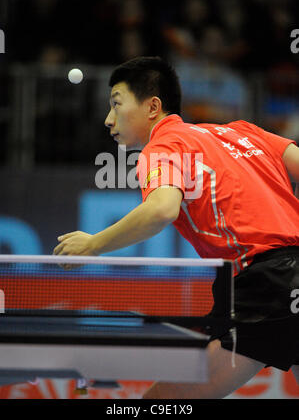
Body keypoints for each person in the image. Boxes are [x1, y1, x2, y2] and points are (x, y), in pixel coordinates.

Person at [53, 56, 299, 399]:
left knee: (160, 404)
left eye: (116, 104)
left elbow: (161, 209)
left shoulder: (165, 145)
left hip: (268, 284)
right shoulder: (245, 133)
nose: (108, 120)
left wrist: (93, 244)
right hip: (279, 280)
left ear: (153, 106)